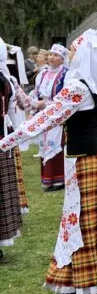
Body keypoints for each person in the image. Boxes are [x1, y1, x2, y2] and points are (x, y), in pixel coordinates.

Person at [0, 30, 97, 294]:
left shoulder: (77, 88)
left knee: (81, 218)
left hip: (82, 159)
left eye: (73, 50)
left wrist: (7, 141)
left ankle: (84, 278)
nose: (70, 54)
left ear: (83, 55)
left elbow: (47, 118)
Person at [0, 38, 36, 253]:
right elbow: (24, 104)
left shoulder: (8, 80)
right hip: (4, 139)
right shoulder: (8, 79)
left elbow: (24, 104)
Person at [34, 44, 69, 190]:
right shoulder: (43, 73)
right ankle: (47, 178)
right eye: (50, 55)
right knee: (44, 144)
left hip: (56, 113)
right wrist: (36, 104)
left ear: (62, 58)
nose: (51, 57)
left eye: (55, 55)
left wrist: (48, 103)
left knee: (56, 144)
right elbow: (37, 90)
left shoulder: (66, 73)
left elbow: (65, 94)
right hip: (43, 113)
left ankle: (58, 179)